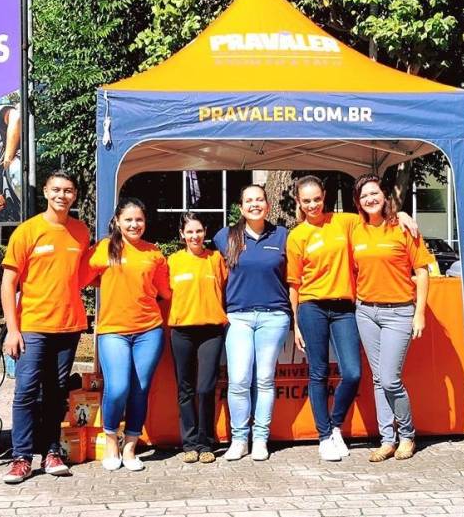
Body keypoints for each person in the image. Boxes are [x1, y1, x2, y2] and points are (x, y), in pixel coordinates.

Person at [287, 175, 416, 462]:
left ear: (325, 197)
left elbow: (376, 214)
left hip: (345, 307)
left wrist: (403, 213)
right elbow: (294, 283)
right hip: (312, 307)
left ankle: (335, 425)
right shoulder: (296, 236)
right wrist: (295, 321)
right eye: (306, 200)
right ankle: (324, 436)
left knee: (353, 372)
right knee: (318, 372)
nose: (312, 205)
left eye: (317, 199)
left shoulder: (344, 221)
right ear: (298, 202)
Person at [1, 170, 91, 483]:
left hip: (68, 326)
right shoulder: (27, 231)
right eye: (56, 190)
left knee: (56, 394)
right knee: (25, 392)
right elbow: (8, 282)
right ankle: (21, 457)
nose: (61, 195)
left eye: (68, 190)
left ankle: (52, 451)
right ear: (46, 192)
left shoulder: (81, 232)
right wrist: (13, 330)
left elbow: (82, 275)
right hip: (32, 326)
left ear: (75, 195)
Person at [351, 173, 434, 462]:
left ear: (384, 196)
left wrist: (419, 312)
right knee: (377, 379)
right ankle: (387, 439)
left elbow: (422, 271)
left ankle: (408, 435)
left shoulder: (401, 227)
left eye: (374, 193)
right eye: (364, 196)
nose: (370, 199)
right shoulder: (355, 229)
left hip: (399, 312)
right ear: (357, 202)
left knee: (389, 378)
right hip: (365, 311)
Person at [88, 197, 171, 472]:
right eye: (129, 220)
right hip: (113, 331)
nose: (134, 224)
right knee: (119, 387)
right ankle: (111, 438)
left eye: (139, 220)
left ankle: (130, 446)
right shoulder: (104, 249)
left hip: (149, 330)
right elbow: (76, 278)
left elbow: (166, 292)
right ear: (117, 222)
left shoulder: (154, 254)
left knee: (140, 389)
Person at [213, 185, 291, 462]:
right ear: (241, 206)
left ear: (268, 205)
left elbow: (293, 279)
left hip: (274, 316)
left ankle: (260, 439)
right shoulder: (226, 236)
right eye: (249, 200)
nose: (254, 204)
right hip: (239, 317)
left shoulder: (283, 236)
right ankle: (239, 439)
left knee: (265, 379)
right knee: (238, 380)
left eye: (259, 200)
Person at [167, 212, 228, 464]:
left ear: (205, 232)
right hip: (181, 331)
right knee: (186, 388)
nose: (195, 236)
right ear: (182, 234)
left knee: (205, 388)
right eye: (189, 232)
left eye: (199, 231)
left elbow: (225, 286)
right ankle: (190, 442)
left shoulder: (215, 259)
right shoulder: (172, 261)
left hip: (211, 329)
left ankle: (206, 442)